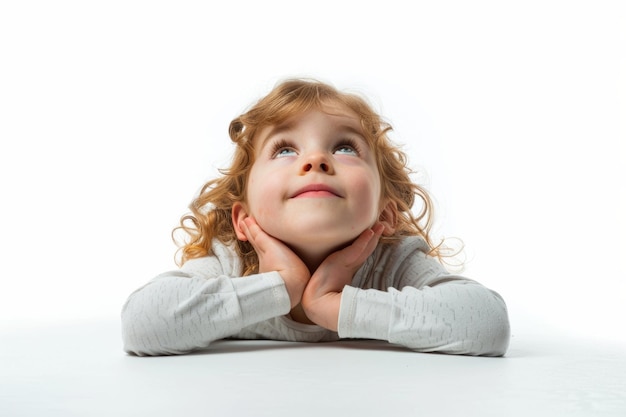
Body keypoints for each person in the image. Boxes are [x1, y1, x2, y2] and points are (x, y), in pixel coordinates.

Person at [121, 79, 510, 356]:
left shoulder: (393, 262)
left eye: (344, 147)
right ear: (243, 219)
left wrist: (331, 305)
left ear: (386, 213)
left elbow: (487, 324)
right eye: (285, 150)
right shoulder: (234, 264)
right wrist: (280, 287)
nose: (315, 159)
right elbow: (142, 324)